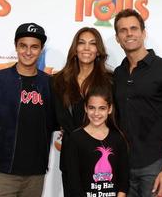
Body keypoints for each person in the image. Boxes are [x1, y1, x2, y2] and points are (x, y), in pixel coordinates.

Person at [113, 9, 162, 197]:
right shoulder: (118, 74)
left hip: (154, 166)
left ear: (143, 33)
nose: (129, 34)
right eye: (123, 30)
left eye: (133, 28)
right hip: (122, 166)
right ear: (117, 38)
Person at [0, 22, 55, 197]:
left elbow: (54, 122)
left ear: (41, 49)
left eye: (34, 47)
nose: (28, 52)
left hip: (35, 175)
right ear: (16, 47)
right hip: (2, 174)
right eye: (23, 46)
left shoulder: (49, 83)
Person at [52, 27, 112, 196]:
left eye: (92, 44)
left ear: (98, 51)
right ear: (75, 48)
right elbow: (57, 116)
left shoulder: (109, 81)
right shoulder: (58, 81)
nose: (86, 48)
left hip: (100, 157)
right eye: (81, 43)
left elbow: (114, 119)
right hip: (70, 156)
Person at [64, 85, 129, 197]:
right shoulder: (76, 139)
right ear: (85, 108)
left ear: (110, 109)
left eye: (102, 108)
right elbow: (73, 182)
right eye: (92, 108)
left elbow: (124, 179)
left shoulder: (118, 138)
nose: (96, 113)